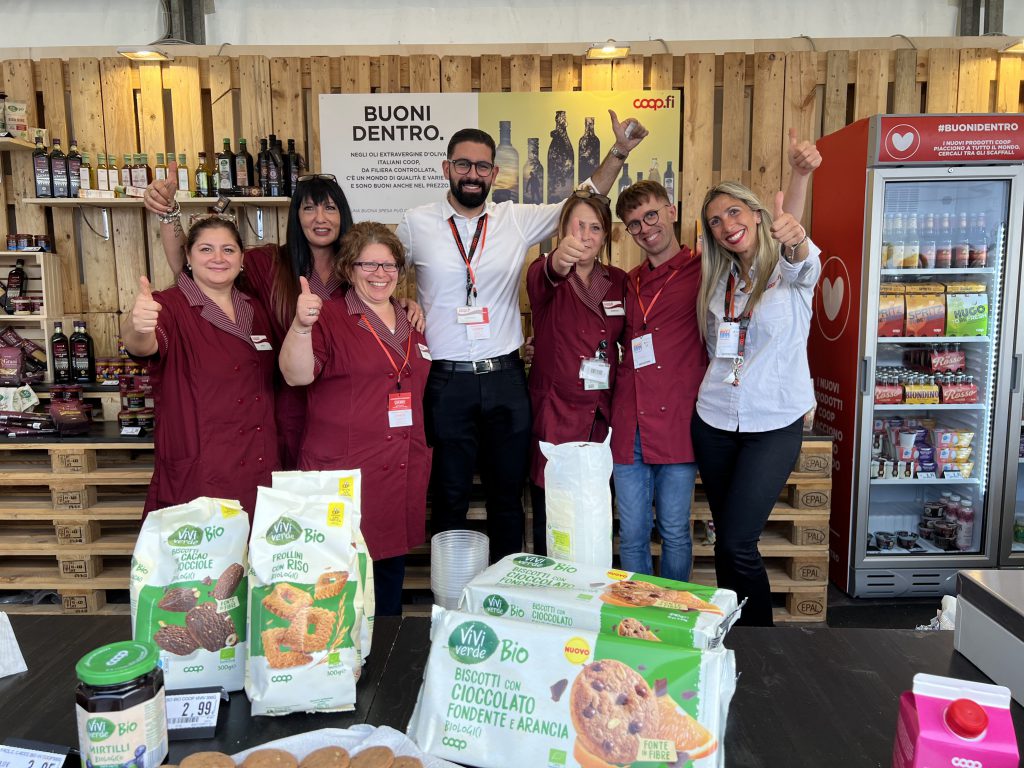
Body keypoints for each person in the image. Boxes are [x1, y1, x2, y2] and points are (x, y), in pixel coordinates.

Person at [397, 110, 646, 562]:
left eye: (482, 166)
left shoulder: (515, 219)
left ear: (494, 173)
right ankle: (452, 594)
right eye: (463, 164)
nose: (472, 174)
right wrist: (402, 303)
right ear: (447, 168)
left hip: (505, 379)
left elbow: (586, 197)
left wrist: (619, 151)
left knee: (507, 497)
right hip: (446, 381)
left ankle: (508, 590)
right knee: (449, 495)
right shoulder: (416, 222)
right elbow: (378, 272)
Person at [143, 172, 422, 470]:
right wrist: (169, 213)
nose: (320, 218)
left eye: (330, 208)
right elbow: (194, 269)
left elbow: (378, 305)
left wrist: (401, 305)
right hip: (285, 407)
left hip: (345, 411)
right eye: (308, 208)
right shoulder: (269, 264)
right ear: (296, 216)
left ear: (343, 215)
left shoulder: (357, 271)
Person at [691, 134, 822, 626]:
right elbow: (715, 349)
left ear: (756, 213)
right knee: (726, 539)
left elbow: (799, 252)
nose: (727, 225)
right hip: (714, 420)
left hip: (773, 423)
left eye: (734, 212)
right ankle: (733, 634)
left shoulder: (787, 272)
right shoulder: (719, 281)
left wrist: (800, 176)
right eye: (716, 221)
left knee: (739, 541)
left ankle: (764, 645)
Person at [278, 222, 431, 616]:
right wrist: (300, 326)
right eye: (369, 265)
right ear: (349, 268)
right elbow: (296, 375)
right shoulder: (328, 316)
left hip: (398, 468)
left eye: (389, 265)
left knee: (389, 576)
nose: (380, 274)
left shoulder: (411, 319)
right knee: (338, 586)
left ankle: (386, 648)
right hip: (346, 473)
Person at [122, 217, 278, 517]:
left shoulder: (255, 308)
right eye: (206, 249)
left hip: (258, 462)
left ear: (241, 260)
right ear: (188, 257)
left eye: (228, 250)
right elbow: (141, 346)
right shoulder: (169, 305)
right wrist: (137, 325)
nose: (218, 258)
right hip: (202, 470)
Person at [611, 180, 705, 582]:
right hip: (629, 421)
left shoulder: (704, 269)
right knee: (632, 534)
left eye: (651, 215)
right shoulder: (628, 281)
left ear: (671, 211)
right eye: (634, 223)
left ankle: (674, 610)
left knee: (674, 532)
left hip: (678, 422)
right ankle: (637, 610)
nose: (646, 228)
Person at [525, 190, 628, 555]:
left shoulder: (618, 280)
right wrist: (558, 259)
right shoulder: (544, 272)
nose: (585, 236)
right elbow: (549, 273)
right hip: (555, 413)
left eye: (595, 228)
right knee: (554, 516)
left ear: (605, 236)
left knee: (594, 515)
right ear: (562, 229)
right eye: (578, 226)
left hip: (600, 414)